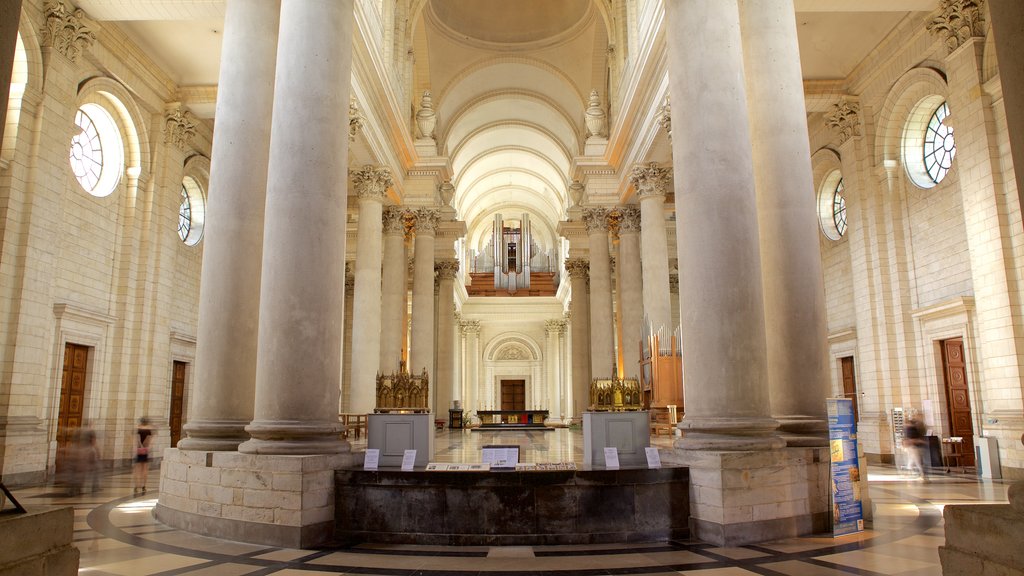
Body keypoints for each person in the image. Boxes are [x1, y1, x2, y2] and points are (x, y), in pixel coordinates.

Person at [133, 417, 154, 495]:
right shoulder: (149, 430)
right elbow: (149, 441)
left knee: (137, 469)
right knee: (145, 469)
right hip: (145, 450)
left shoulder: (138, 429)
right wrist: (147, 448)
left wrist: (137, 447)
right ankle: (143, 485)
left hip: (139, 450)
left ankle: (136, 485)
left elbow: (136, 440)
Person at [904, 414, 928, 479]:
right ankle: (912, 473)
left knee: (916, 460)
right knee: (913, 460)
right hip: (914, 446)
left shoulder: (911, 429)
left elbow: (912, 438)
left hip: (914, 446)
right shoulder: (912, 428)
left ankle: (921, 474)